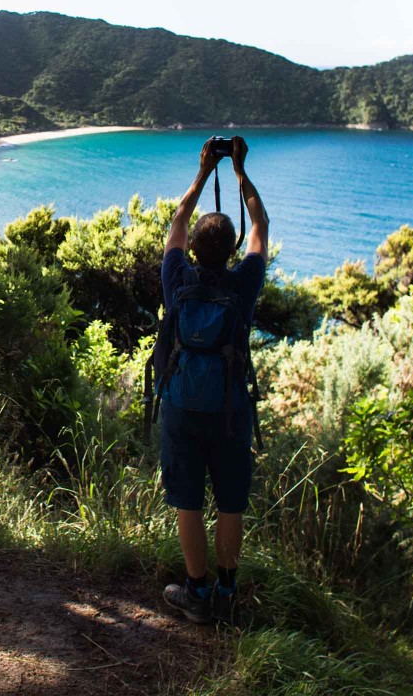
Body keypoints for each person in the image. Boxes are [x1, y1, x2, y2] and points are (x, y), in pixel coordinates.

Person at [158, 135, 269, 624]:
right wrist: (240, 171)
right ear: (230, 249)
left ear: (196, 250)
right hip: (230, 409)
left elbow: (179, 220)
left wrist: (203, 172)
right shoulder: (243, 284)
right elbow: (261, 225)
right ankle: (226, 593)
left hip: (182, 407)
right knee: (229, 502)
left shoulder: (177, 278)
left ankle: (196, 596)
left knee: (188, 501)